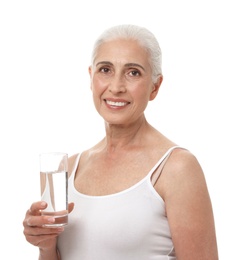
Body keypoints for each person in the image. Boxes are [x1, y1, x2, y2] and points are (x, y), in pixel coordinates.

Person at [23, 24, 219, 259]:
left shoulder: (176, 169)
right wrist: (45, 245)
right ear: (91, 77)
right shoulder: (67, 169)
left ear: (155, 87)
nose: (116, 87)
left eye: (133, 72)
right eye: (105, 69)